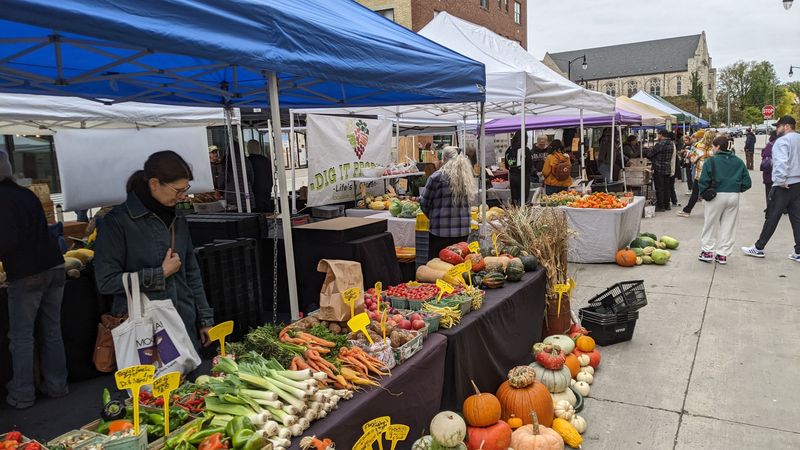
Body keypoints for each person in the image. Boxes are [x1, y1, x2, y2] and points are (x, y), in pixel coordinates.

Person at [94, 151, 215, 351]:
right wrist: (161, 274)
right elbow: (106, 282)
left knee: (194, 380)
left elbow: (192, 272)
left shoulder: (178, 218)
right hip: (144, 329)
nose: (183, 196)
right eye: (178, 190)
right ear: (154, 184)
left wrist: (205, 318)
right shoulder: (117, 222)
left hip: (183, 321)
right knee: (153, 382)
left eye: (185, 189)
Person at [0, 150, 68, 409]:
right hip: (55, 264)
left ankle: (22, 393)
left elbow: (7, 239)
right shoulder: (25, 193)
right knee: (52, 330)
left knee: (21, 336)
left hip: (26, 272)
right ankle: (57, 385)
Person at [742, 116, 800, 262]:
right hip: (797, 182)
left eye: (778, 126)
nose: (777, 129)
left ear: (786, 126)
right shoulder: (798, 139)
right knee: (797, 218)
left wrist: (780, 179)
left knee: (772, 216)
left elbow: (781, 161)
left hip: (784, 183)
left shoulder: (782, 141)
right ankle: (798, 250)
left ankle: (759, 247)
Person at [697, 136, 751, 264]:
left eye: (714, 147)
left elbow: (703, 180)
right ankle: (722, 254)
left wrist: (703, 192)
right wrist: (737, 188)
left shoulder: (711, 161)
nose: (713, 149)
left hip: (716, 195)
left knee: (711, 223)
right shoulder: (738, 161)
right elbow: (747, 182)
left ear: (718, 147)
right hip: (734, 195)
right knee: (729, 225)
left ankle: (707, 251)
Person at [419, 146, 477, 260]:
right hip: (462, 231)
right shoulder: (466, 177)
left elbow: (423, 202)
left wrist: (432, 217)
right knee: (459, 263)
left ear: (444, 158)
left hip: (440, 231)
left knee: (438, 265)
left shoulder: (436, 177)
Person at [678, 130, 715, 217]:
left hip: (700, 174)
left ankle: (687, 211)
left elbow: (693, 159)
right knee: (711, 193)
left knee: (695, 193)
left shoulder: (699, 146)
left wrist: (689, 154)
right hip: (712, 174)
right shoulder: (714, 148)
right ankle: (712, 212)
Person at [647, 130, 676, 212]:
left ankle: (661, 206)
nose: (658, 136)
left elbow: (650, 154)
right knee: (666, 187)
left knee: (659, 188)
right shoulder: (671, 144)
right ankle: (667, 205)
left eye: (658, 135)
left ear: (661, 135)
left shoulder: (660, 144)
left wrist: (650, 150)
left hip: (659, 168)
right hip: (667, 168)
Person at [504, 131, 533, 205]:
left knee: (514, 201)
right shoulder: (526, 150)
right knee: (523, 201)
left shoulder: (509, 150)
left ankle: (514, 215)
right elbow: (529, 166)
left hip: (512, 177)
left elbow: (507, 166)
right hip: (523, 177)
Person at [224, 142, 254, 211]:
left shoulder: (225, 162)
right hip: (246, 195)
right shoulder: (246, 160)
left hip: (231, 197)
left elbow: (222, 181)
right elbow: (251, 177)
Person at [246, 139, 274, 213]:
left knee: (258, 211)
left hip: (255, 190)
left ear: (249, 148)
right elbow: (271, 175)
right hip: (266, 190)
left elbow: (249, 177)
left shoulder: (248, 161)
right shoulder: (266, 160)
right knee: (267, 210)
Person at [760, 131, 778, 211]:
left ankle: (770, 207)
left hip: (769, 173)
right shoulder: (782, 143)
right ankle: (782, 208)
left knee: (769, 191)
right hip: (780, 173)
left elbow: (765, 156)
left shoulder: (770, 145)